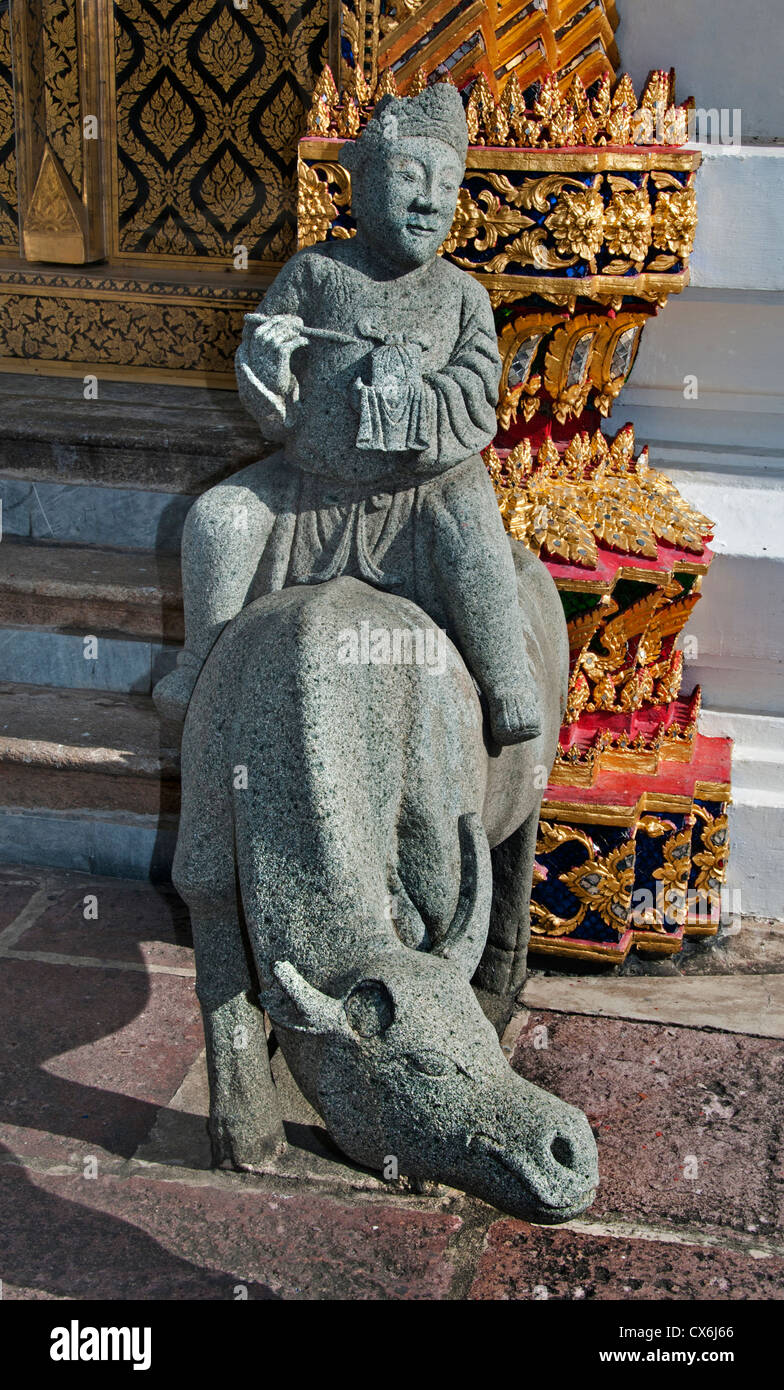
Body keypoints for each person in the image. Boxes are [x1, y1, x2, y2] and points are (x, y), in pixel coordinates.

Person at [153, 82, 541, 746]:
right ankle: (202, 662)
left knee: (476, 535)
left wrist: (416, 402)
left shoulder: (462, 297)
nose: (428, 199)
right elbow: (269, 400)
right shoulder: (314, 274)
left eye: (446, 185)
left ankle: (506, 679)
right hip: (306, 491)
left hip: (422, 496)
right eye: (410, 177)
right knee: (219, 519)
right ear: (363, 186)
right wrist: (270, 370)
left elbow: (479, 397)